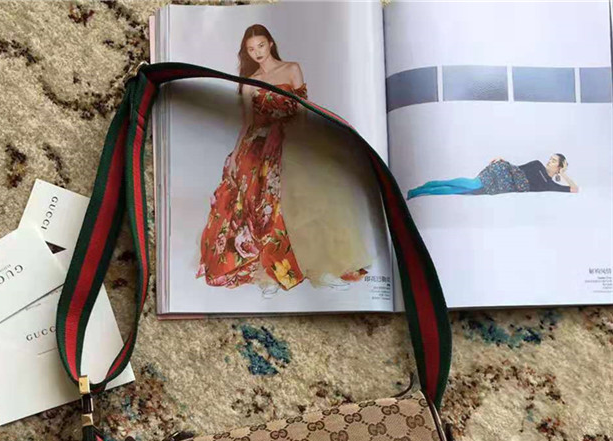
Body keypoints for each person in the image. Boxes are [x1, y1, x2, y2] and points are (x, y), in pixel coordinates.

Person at [196, 25, 371, 294]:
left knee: (310, 197)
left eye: (261, 46)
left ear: (271, 43)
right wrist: (235, 155)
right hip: (259, 142)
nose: (257, 53)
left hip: (292, 137)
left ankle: (319, 266)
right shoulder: (249, 81)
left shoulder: (291, 69)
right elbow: (247, 122)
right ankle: (271, 272)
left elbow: (303, 110)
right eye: (251, 49)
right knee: (260, 203)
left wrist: (304, 142)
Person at [407, 153, 579, 199]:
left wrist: (564, 173)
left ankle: (423, 191)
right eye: (550, 158)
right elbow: (517, 168)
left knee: (463, 191)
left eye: (554, 160)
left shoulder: (550, 185)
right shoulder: (537, 164)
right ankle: (422, 189)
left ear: (559, 166)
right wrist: (502, 161)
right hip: (502, 172)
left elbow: (574, 189)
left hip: (503, 187)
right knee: (472, 184)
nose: (549, 161)